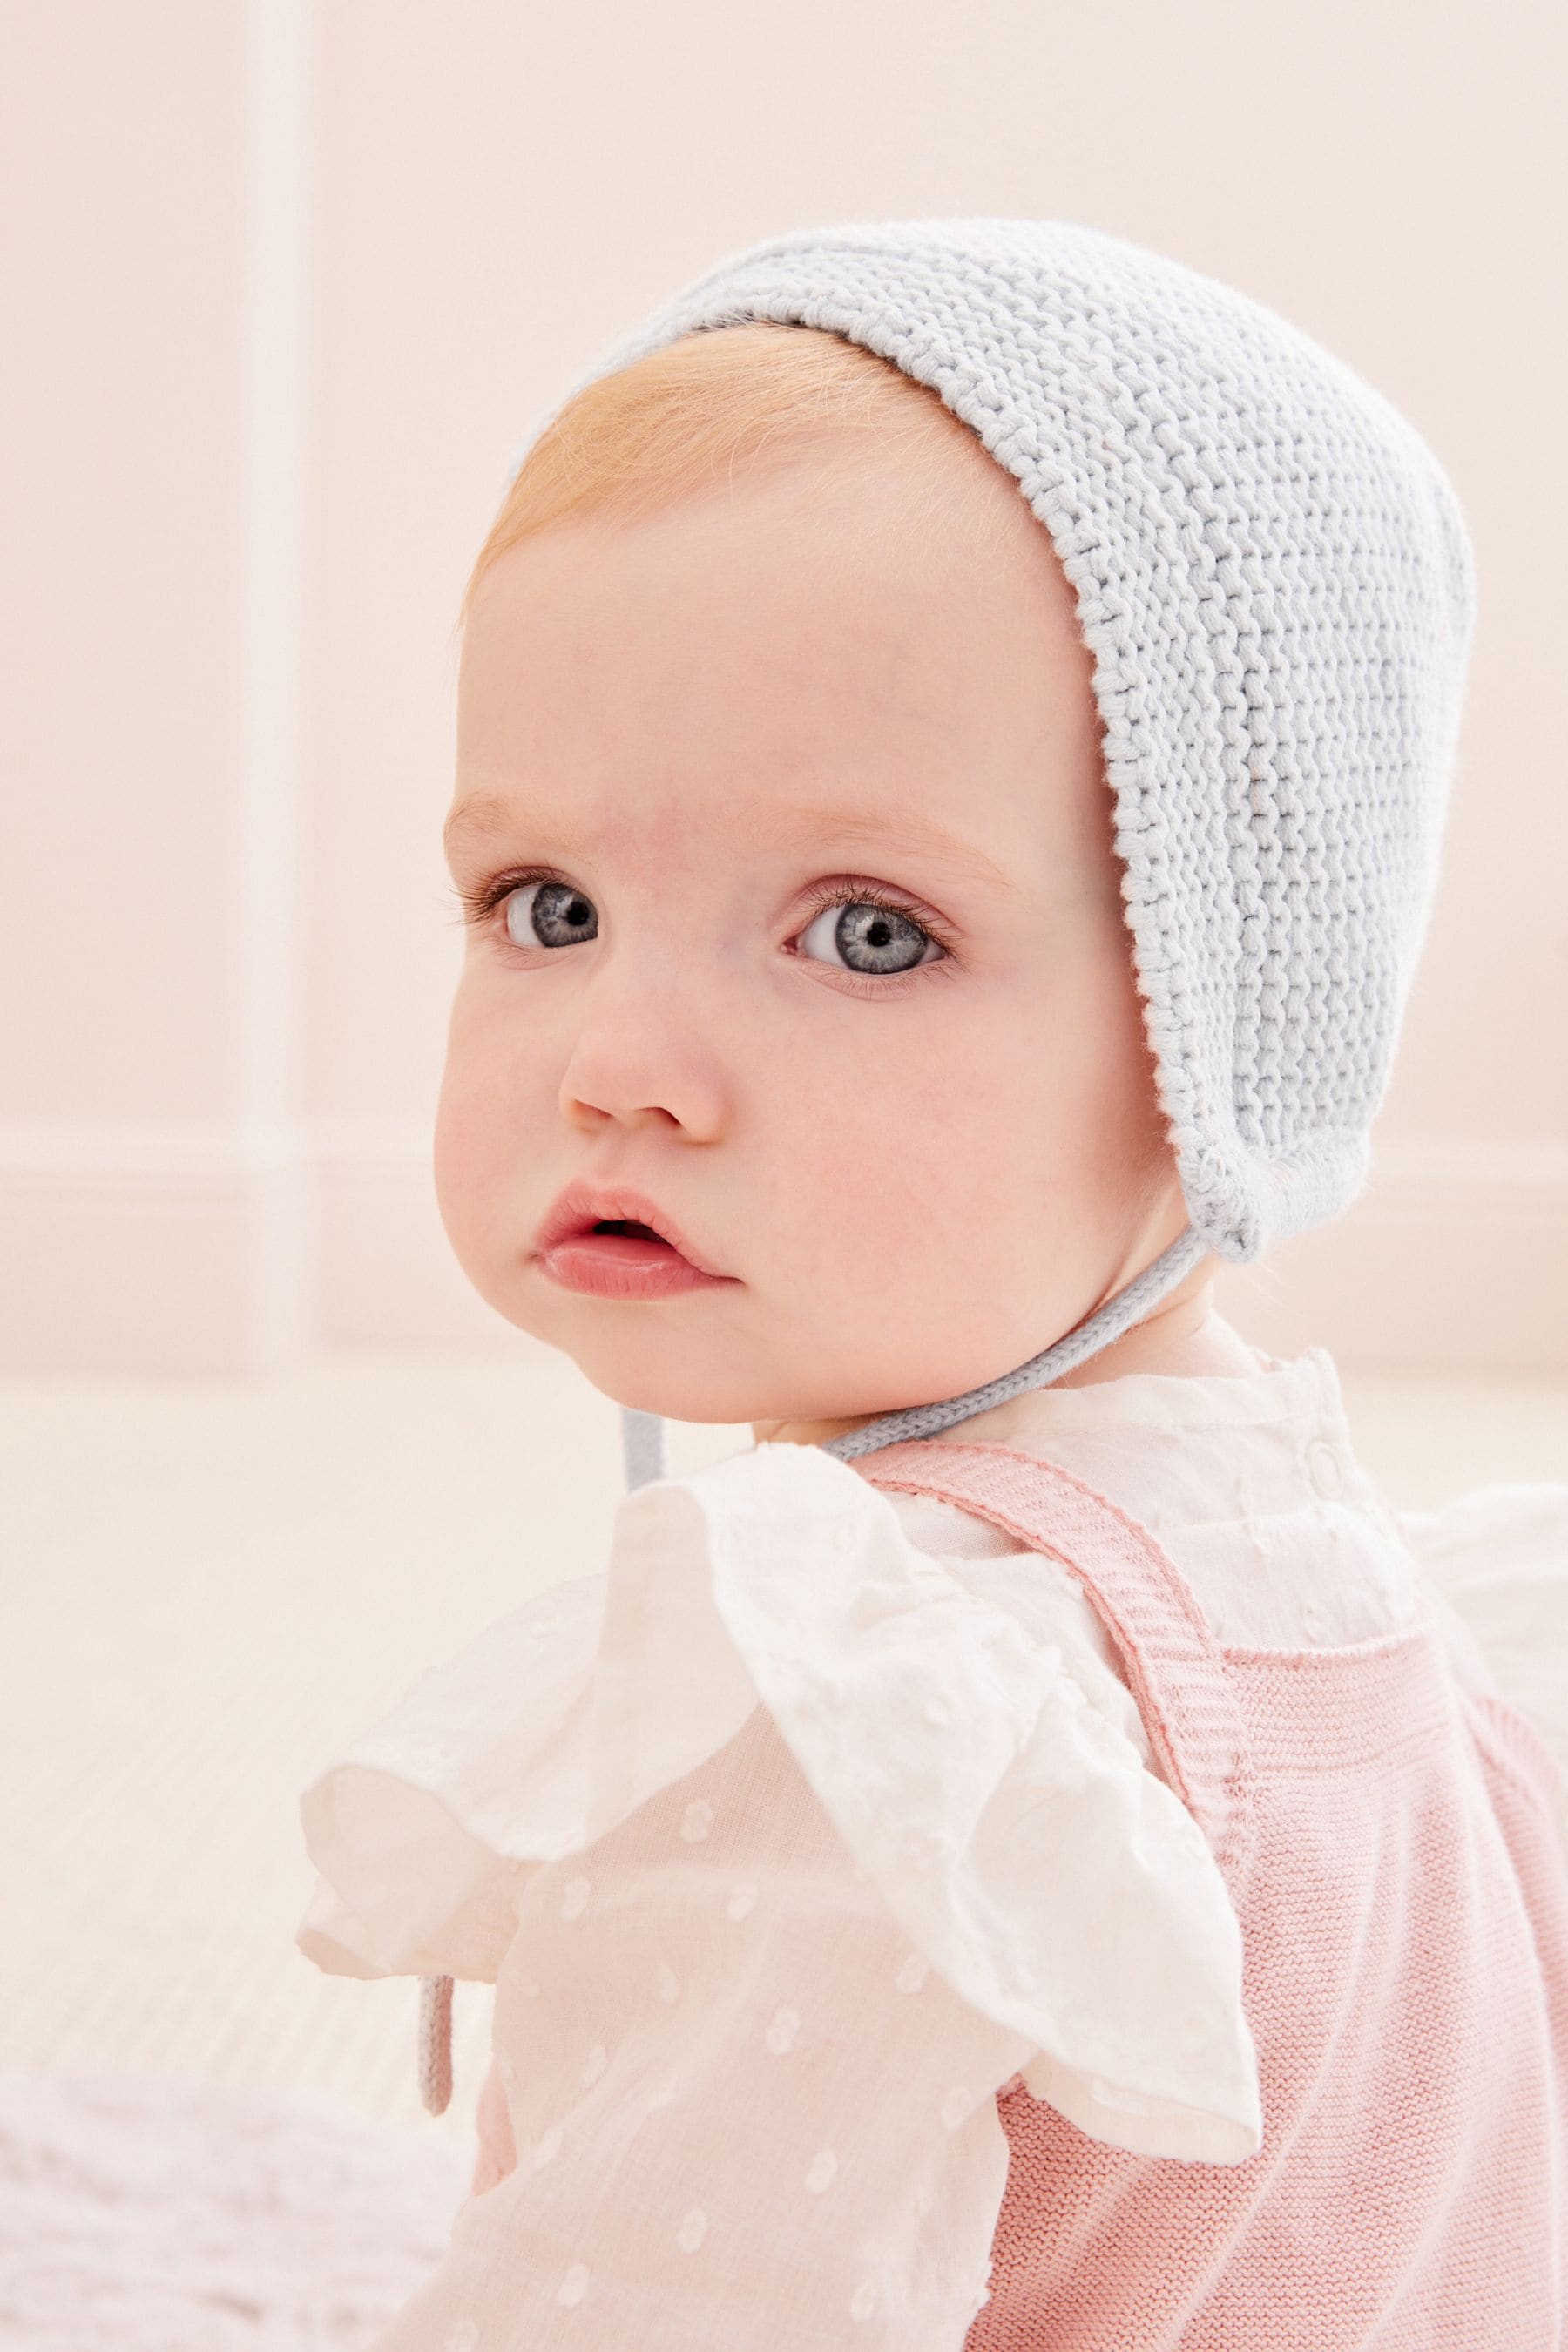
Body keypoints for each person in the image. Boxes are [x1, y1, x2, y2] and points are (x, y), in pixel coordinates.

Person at [293, 220, 1568, 2347]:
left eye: (867, 931)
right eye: (545, 903)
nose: (618, 1064)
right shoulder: (1333, 1592)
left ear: (1224, 1035)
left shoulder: (861, 1725)